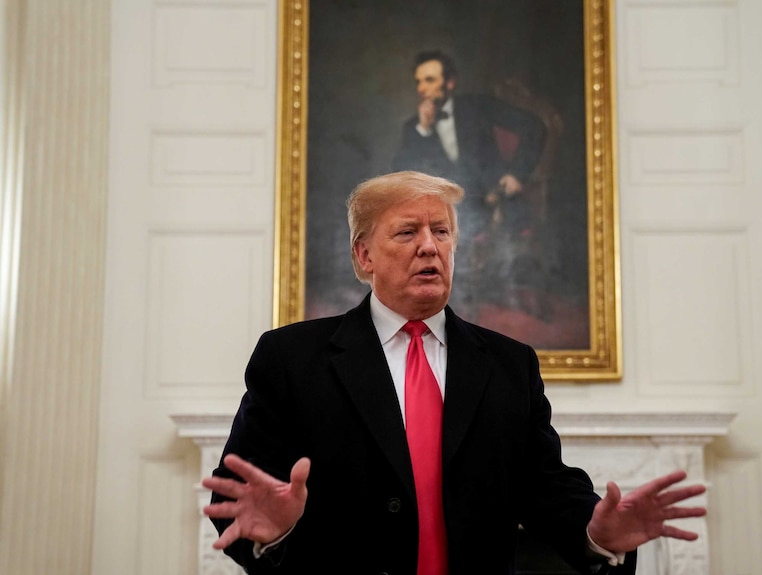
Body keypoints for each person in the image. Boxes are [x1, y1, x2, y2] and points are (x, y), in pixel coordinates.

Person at [203, 171, 706, 574]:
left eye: (441, 231)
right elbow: (240, 496)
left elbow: (547, 487)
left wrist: (597, 536)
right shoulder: (291, 358)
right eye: (407, 231)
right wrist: (278, 533)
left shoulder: (510, 365)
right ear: (364, 255)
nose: (429, 246)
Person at [393, 51, 547, 311]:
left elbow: (534, 126)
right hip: (444, 212)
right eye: (419, 82)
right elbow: (399, 177)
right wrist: (424, 130)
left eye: (430, 80)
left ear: (450, 83)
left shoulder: (477, 107)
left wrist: (517, 174)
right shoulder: (414, 128)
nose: (422, 89)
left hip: (494, 201)